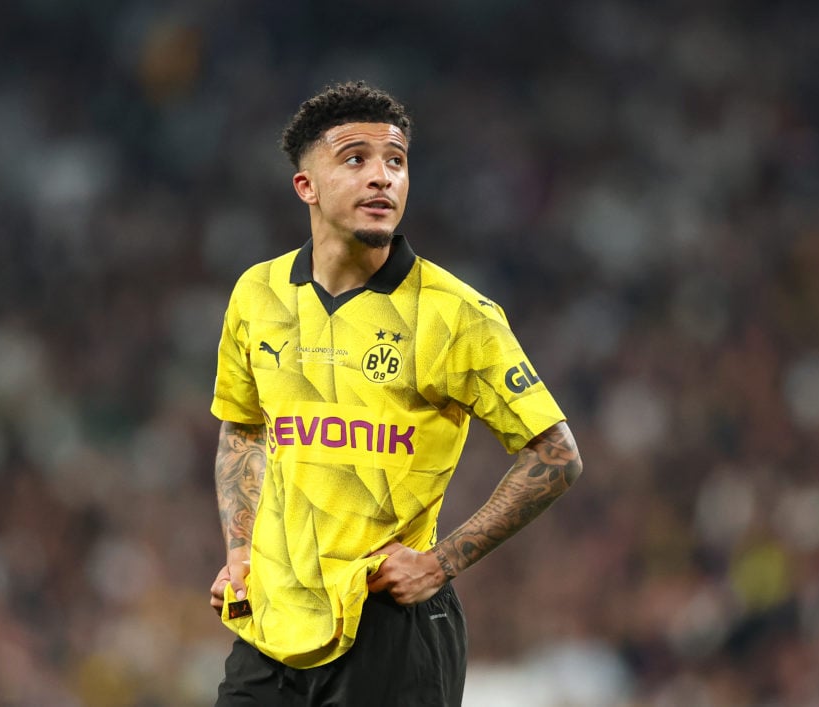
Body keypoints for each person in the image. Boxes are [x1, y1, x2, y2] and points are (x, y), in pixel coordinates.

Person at [207, 80, 583, 706]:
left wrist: (441, 561)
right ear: (307, 186)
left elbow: (556, 453)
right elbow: (243, 427)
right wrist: (241, 553)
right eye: (355, 159)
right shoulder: (258, 294)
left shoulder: (458, 314)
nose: (382, 176)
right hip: (273, 626)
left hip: (391, 629)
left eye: (396, 161)